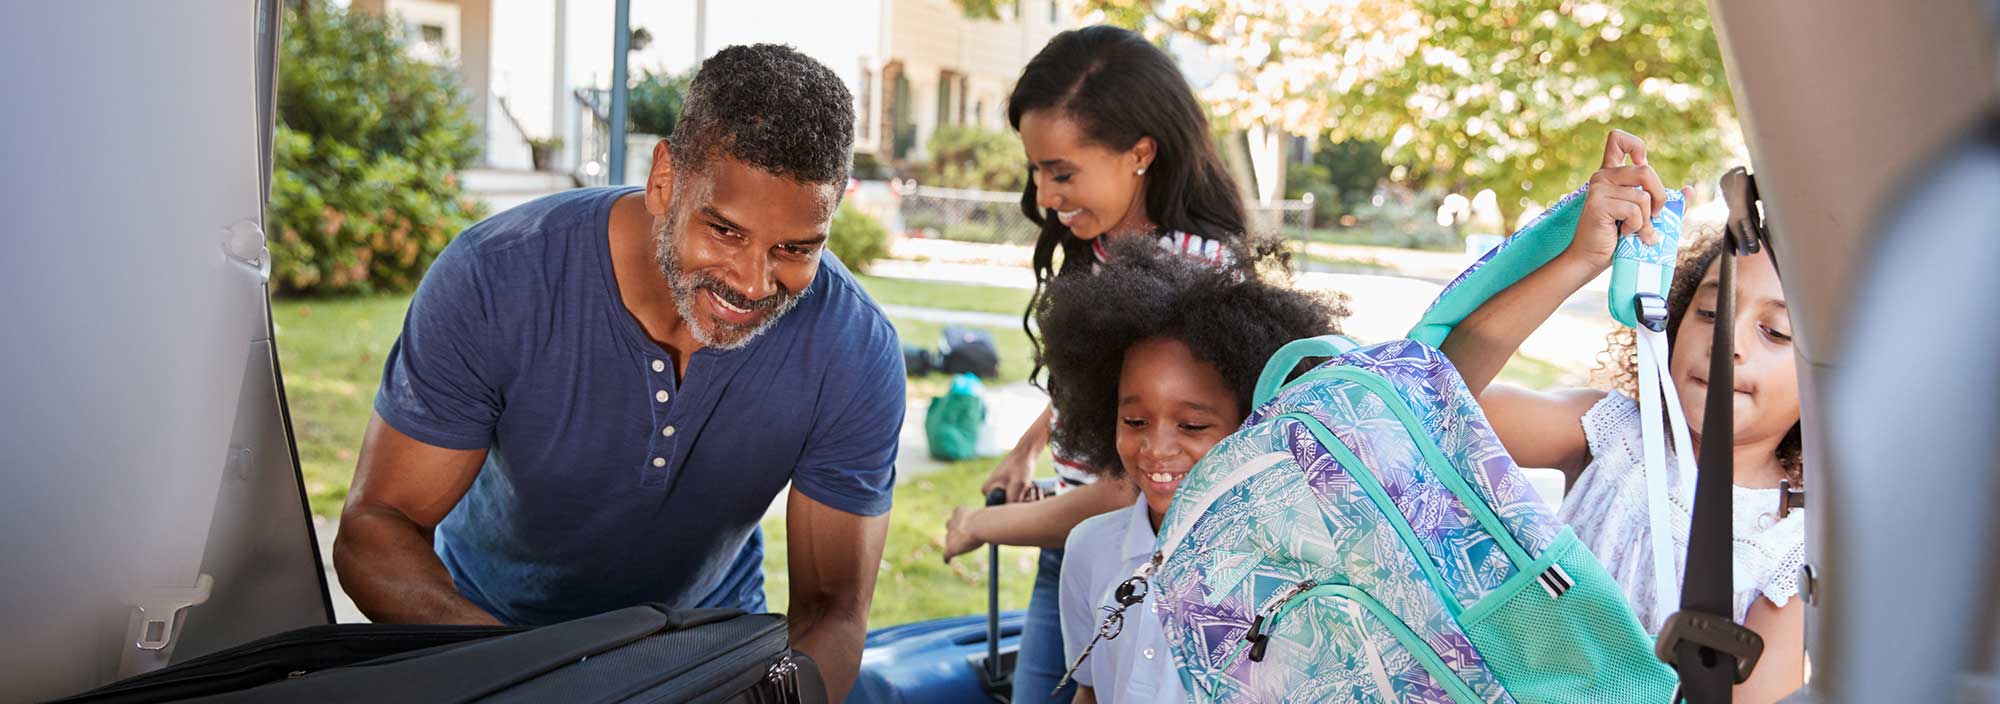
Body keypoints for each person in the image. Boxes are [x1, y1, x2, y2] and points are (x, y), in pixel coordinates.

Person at [332, 44, 902, 700]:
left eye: (795, 249)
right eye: (724, 231)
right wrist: (528, 683)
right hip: (489, 637)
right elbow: (377, 526)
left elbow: (832, 610)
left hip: (703, 650)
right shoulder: (496, 277)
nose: (752, 282)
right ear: (665, 179)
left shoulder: (854, 349)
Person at [936, 25, 1282, 703]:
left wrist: (982, 526)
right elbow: (1103, 384)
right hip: (1074, 552)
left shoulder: (1191, 272)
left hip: (1141, 569)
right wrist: (1032, 442)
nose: (1044, 196)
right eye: (1036, 169)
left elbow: (1137, 480)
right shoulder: (1105, 247)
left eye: (1062, 172)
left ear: (1140, 153)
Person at [1437, 130, 1807, 701]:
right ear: (1674, 317)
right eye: (1710, 311)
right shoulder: (1614, 435)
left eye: (1775, 331)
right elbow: (1435, 395)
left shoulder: (1791, 546)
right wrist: (1579, 260)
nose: (1727, 342)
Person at [1036, 239, 1347, 704]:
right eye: (1135, 421)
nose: (1156, 449)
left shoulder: (1297, 568)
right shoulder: (1090, 551)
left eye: (1193, 425)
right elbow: (1092, 691)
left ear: (1252, 425)